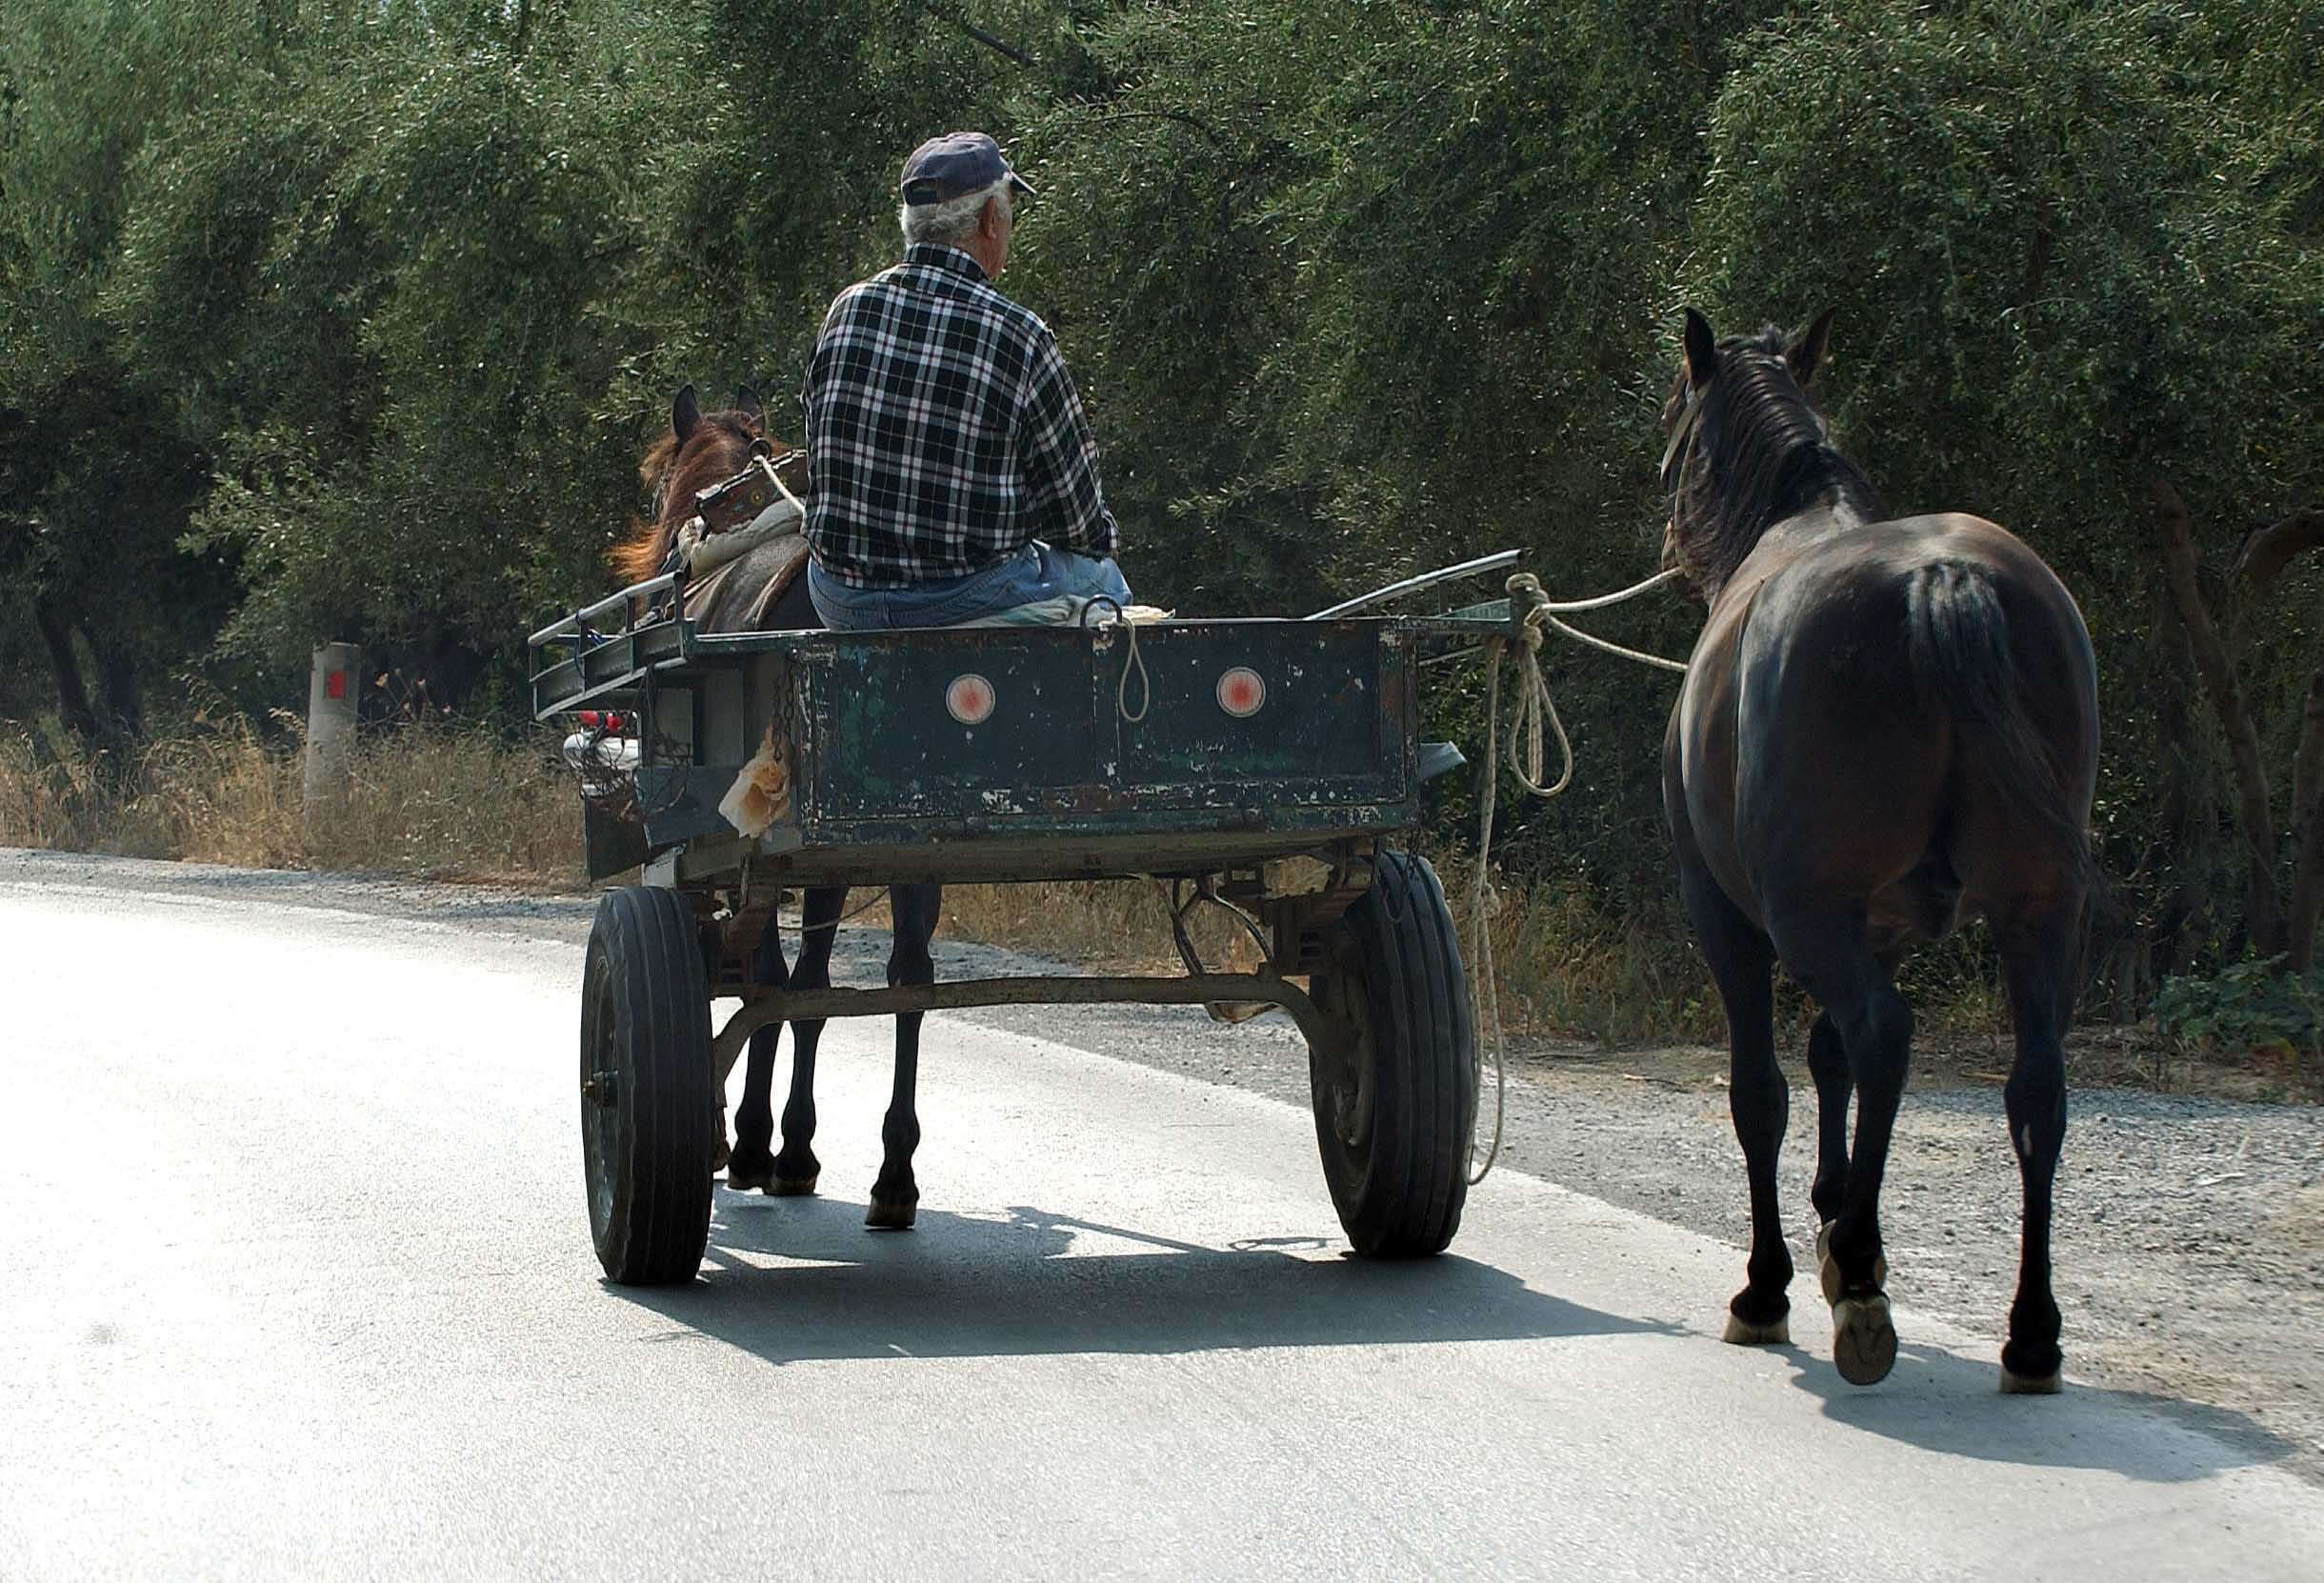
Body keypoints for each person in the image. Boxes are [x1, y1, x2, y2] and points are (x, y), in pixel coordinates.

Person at [800, 130, 1133, 630]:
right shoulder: (1021, 336)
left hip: (841, 598)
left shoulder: (845, 310)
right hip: (959, 599)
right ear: (988, 221)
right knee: (1105, 580)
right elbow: (1078, 525)